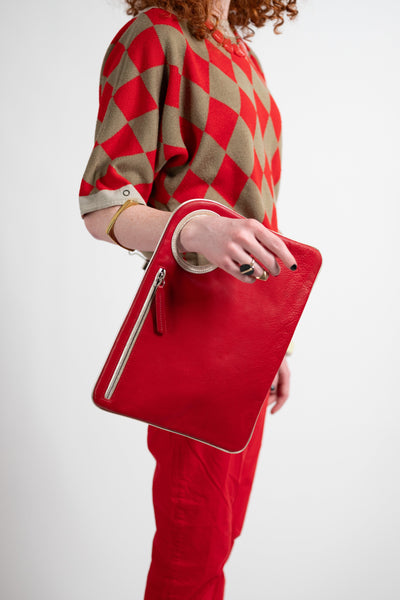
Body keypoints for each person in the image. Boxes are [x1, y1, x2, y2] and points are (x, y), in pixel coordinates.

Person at [79, 0, 298, 597]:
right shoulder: (156, 35)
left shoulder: (243, 55)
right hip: (196, 325)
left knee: (218, 537)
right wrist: (194, 228)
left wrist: (275, 337)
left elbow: (257, 214)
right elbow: (103, 205)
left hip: (250, 331)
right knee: (191, 551)